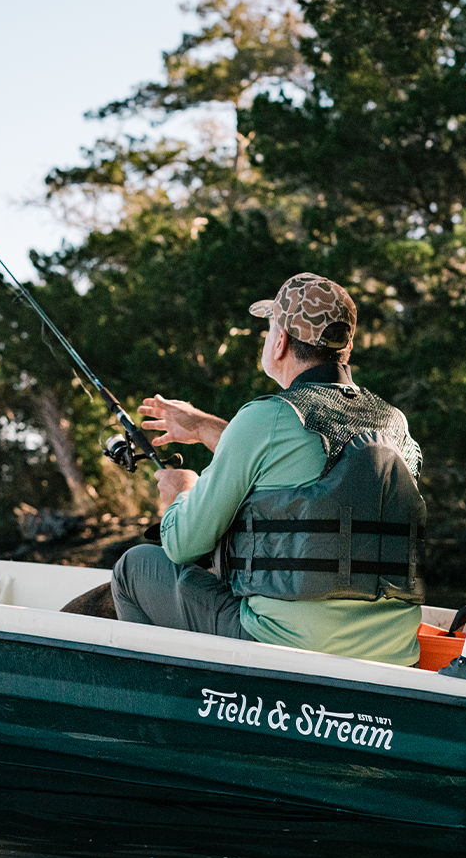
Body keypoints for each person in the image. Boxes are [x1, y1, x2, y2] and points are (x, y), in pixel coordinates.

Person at [109, 272, 425, 666]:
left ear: (281, 342)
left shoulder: (265, 418)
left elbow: (183, 544)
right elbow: (313, 473)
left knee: (135, 567)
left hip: (284, 646)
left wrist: (181, 493)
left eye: (269, 327)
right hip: (396, 654)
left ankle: (174, 707)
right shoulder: (394, 423)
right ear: (344, 348)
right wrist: (207, 426)